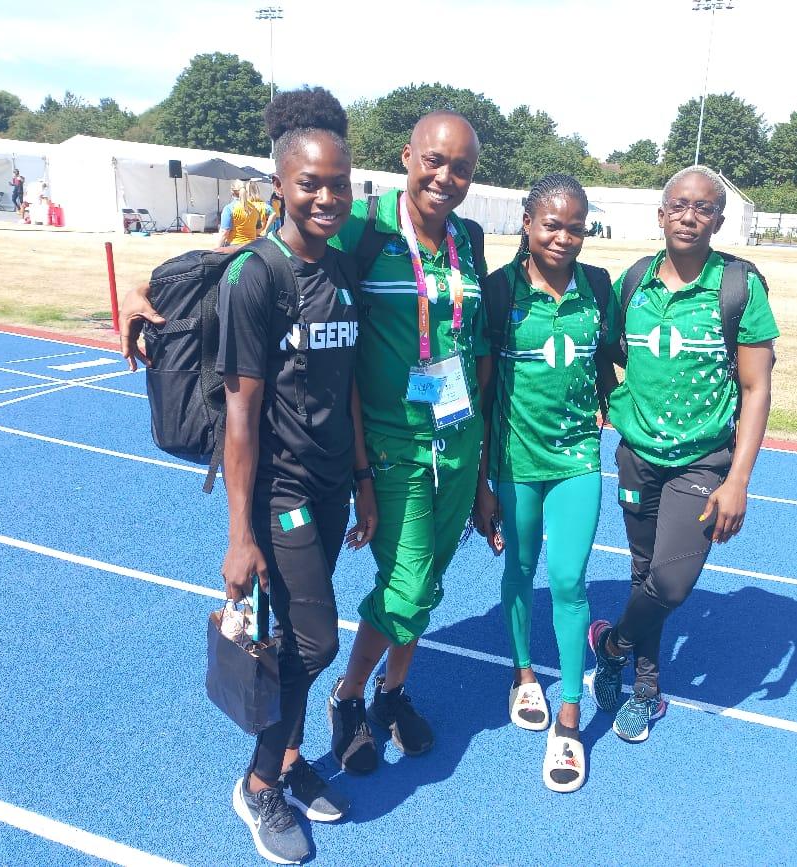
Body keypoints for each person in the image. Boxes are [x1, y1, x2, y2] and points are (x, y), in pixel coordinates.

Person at [123, 87, 376, 865]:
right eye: (310, 183)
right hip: (281, 491)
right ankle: (260, 782)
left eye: (338, 182)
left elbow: (351, 384)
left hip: (334, 485)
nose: (327, 196)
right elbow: (240, 415)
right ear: (279, 188)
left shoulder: (343, 266)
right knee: (313, 639)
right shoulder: (256, 279)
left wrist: (363, 478)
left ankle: (292, 762)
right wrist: (239, 536)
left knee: (299, 641)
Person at [325, 111, 491, 776]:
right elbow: (271, 256)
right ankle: (348, 696)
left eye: (462, 168)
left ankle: (393, 694)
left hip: (457, 439)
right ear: (406, 156)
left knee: (427, 583)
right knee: (408, 582)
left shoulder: (470, 239)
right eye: (434, 160)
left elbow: (477, 348)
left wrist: (481, 470)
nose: (445, 177)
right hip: (393, 446)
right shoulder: (361, 229)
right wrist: (151, 285)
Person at [588, 165, 779, 743]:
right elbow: (608, 350)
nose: (690, 215)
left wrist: (739, 479)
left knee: (671, 585)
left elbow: (756, 388)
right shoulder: (635, 281)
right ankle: (647, 689)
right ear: (662, 214)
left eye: (703, 207)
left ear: (719, 219)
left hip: (702, 464)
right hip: (636, 457)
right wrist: (607, 397)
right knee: (643, 572)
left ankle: (611, 644)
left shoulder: (738, 286)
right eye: (679, 205)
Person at [473, 174, 614, 793]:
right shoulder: (499, 293)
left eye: (576, 226)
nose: (564, 236)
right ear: (527, 224)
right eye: (552, 224)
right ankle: (524, 672)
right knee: (521, 569)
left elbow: (614, 363)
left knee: (570, 579)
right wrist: (482, 482)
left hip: (578, 459)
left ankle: (570, 721)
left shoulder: (600, 288)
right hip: (515, 463)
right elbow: (477, 394)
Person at [220, 179, 272, 247]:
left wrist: (216, 250)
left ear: (232, 192)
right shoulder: (254, 209)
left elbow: (224, 233)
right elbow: (258, 230)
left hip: (234, 246)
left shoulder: (229, 209)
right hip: (251, 246)